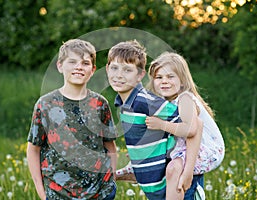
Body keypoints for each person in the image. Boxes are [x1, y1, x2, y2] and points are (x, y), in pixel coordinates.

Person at [106, 40, 203, 200]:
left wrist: (187, 172)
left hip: (178, 187)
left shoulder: (144, 101)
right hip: (157, 188)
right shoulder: (124, 103)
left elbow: (194, 125)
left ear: (140, 75)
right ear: (107, 69)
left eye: (127, 70)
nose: (119, 75)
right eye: (114, 68)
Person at [26, 39, 117, 200]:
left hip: (98, 192)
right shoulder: (46, 105)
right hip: (57, 193)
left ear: (93, 69)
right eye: (72, 62)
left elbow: (110, 147)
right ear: (60, 66)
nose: (79, 67)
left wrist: (110, 183)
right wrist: (42, 193)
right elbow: (33, 149)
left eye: (85, 63)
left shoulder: (100, 104)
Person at [145, 51, 225, 200]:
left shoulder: (185, 98)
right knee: (170, 170)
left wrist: (161, 124)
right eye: (159, 77)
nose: (164, 81)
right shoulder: (165, 103)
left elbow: (191, 129)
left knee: (175, 171)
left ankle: (193, 192)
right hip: (185, 149)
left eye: (170, 76)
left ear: (182, 81)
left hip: (204, 149)